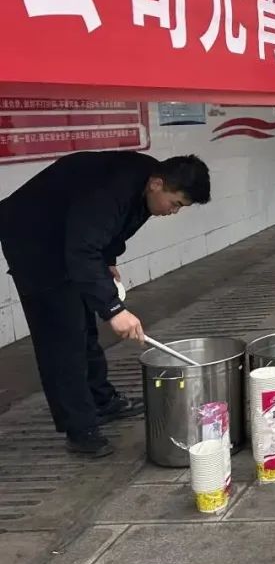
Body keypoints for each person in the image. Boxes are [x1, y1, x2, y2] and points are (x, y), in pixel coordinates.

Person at [0, 152, 211, 457]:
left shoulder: (146, 181)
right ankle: (79, 429)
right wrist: (114, 310)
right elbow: (82, 247)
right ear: (157, 184)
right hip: (34, 239)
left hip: (70, 235)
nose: (173, 212)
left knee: (84, 323)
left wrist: (108, 258)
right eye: (175, 203)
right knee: (62, 336)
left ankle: (101, 400)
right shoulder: (113, 188)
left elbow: (114, 226)